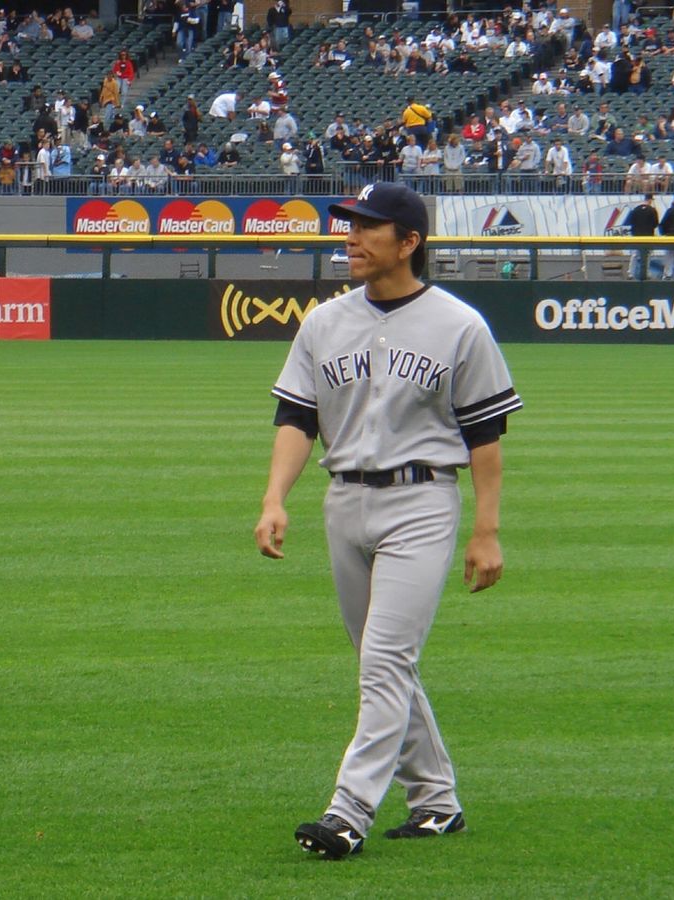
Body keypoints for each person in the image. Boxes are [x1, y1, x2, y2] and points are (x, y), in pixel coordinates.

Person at [254, 182, 523, 861]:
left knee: (384, 660)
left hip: (422, 501)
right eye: (351, 225)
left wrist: (485, 531)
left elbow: (486, 435)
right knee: (384, 664)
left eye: (369, 227)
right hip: (343, 502)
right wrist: (273, 498)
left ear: (410, 242)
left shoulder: (459, 324)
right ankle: (436, 802)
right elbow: (297, 418)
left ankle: (348, 812)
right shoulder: (324, 322)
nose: (352, 237)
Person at [623, 193, 659, 278]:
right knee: (647, 255)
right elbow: (655, 224)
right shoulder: (652, 210)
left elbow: (630, 222)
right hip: (648, 236)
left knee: (635, 255)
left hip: (636, 236)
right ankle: (646, 273)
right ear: (650, 200)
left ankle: (630, 273)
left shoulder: (636, 209)